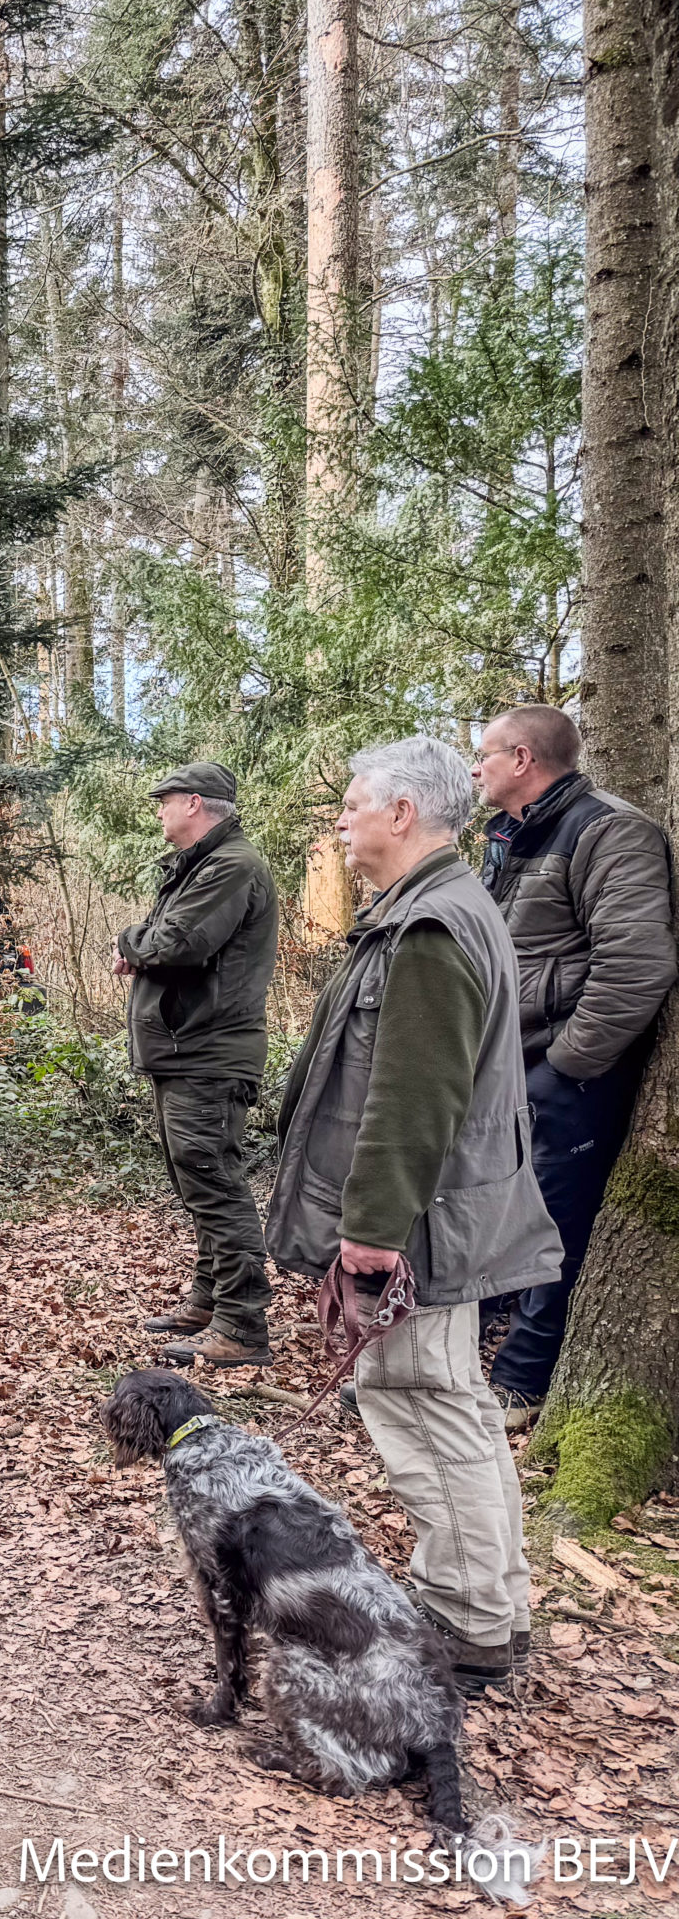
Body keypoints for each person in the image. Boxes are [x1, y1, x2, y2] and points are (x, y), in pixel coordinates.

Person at [268, 735, 558, 1695]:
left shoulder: (431, 926)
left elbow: (413, 1099)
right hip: (435, 1219)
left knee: (427, 1407)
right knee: (448, 1406)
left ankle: (466, 1622)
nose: (340, 823)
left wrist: (372, 1234)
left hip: (421, 1230)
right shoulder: (434, 909)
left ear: (402, 814)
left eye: (353, 806)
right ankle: (492, 1603)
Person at [471, 705, 677, 1424]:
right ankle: (458, 1370)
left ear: (523, 759)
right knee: (495, 1215)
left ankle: (521, 1383)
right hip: (507, 1066)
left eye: (486, 754)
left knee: (557, 1225)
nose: (476, 767)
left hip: (568, 1076)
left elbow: (636, 966)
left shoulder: (609, 830)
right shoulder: (509, 834)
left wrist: (565, 1067)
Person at [113, 764, 282, 1369]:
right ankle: (211, 1301)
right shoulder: (202, 866)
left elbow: (176, 943)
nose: (159, 811)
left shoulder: (232, 866)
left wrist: (130, 942)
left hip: (208, 1052)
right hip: (187, 1051)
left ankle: (241, 1324)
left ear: (193, 803)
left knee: (214, 1184)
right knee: (197, 1183)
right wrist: (146, 943)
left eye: (164, 801)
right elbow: (169, 937)